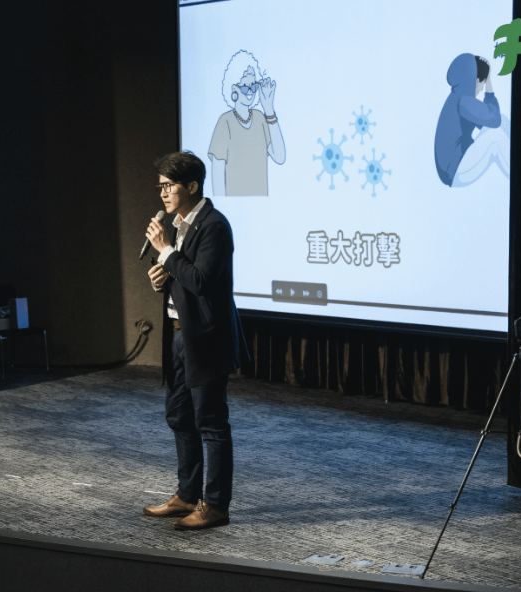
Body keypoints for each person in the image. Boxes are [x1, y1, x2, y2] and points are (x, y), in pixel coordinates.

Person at [142, 151, 246, 530]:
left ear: (192, 186)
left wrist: (167, 251)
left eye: (169, 186)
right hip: (177, 335)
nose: (163, 194)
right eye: (160, 186)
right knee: (179, 416)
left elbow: (201, 281)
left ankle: (215, 506)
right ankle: (187, 495)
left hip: (205, 338)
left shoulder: (214, 226)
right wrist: (161, 280)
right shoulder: (178, 226)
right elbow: (182, 278)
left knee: (211, 422)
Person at [208, 50, 286, 196]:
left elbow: (280, 157)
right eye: (245, 87)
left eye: (254, 86)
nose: (250, 92)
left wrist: (269, 109)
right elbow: (217, 179)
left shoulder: (260, 118)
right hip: (233, 206)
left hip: (263, 204)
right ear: (234, 89)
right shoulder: (224, 122)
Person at [434, 54, 510, 187]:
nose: (481, 89)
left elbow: (492, 121)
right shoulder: (464, 101)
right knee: (494, 134)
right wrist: (489, 88)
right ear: (476, 81)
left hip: (455, 164)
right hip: (454, 171)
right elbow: (494, 122)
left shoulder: (458, 96)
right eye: (483, 83)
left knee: (501, 121)